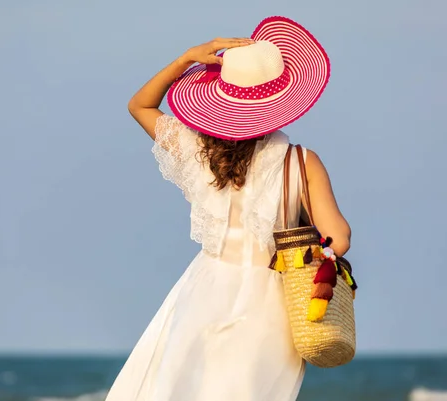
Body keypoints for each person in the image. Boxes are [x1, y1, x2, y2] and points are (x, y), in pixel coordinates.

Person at [106, 16, 351, 401]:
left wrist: (186, 58)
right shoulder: (301, 162)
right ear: (283, 100)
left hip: (204, 287)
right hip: (269, 301)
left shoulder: (196, 150)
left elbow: (139, 105)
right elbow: (340, 238)